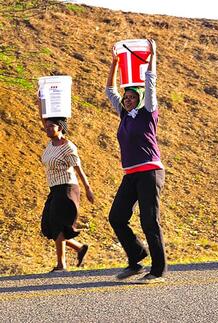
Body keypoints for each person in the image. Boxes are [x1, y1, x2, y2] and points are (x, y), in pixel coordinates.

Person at [106, 39, 166, 283]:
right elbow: (109, 91)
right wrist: (114, 64)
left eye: (132, 96)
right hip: (131, 173)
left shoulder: (148, 113)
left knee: (149, 220)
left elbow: (150, 83)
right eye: (126, 96)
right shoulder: (124, 115)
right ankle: (137, 257)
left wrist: (153, 55)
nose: (127, 99)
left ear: (140, 98)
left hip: (150, 171)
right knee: (117, 217)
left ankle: (158, 270)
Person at [39, 105, 94, 272]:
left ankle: (61, 264)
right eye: (46, 126)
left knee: (58, 224)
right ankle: (79, 247)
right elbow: (42, 118)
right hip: (55, 189)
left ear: (60, 128)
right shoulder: (50, 144)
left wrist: (88, 188)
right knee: (48, 225)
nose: (47, 129)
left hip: (67, 188)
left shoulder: (68, 146)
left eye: (51, 126)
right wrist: (40, 100)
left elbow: (78, 168)